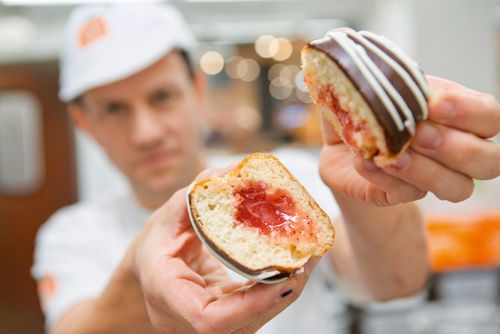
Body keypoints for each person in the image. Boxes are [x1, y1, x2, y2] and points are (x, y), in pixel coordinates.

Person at [31, 3, 500, 334]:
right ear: (83, 122)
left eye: (162, 96)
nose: (147, 132)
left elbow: (397, 282)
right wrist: (140, 268)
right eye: (114, 109)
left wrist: (371, 178)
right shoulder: (70, 233)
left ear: (197, 89)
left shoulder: (298, 176)